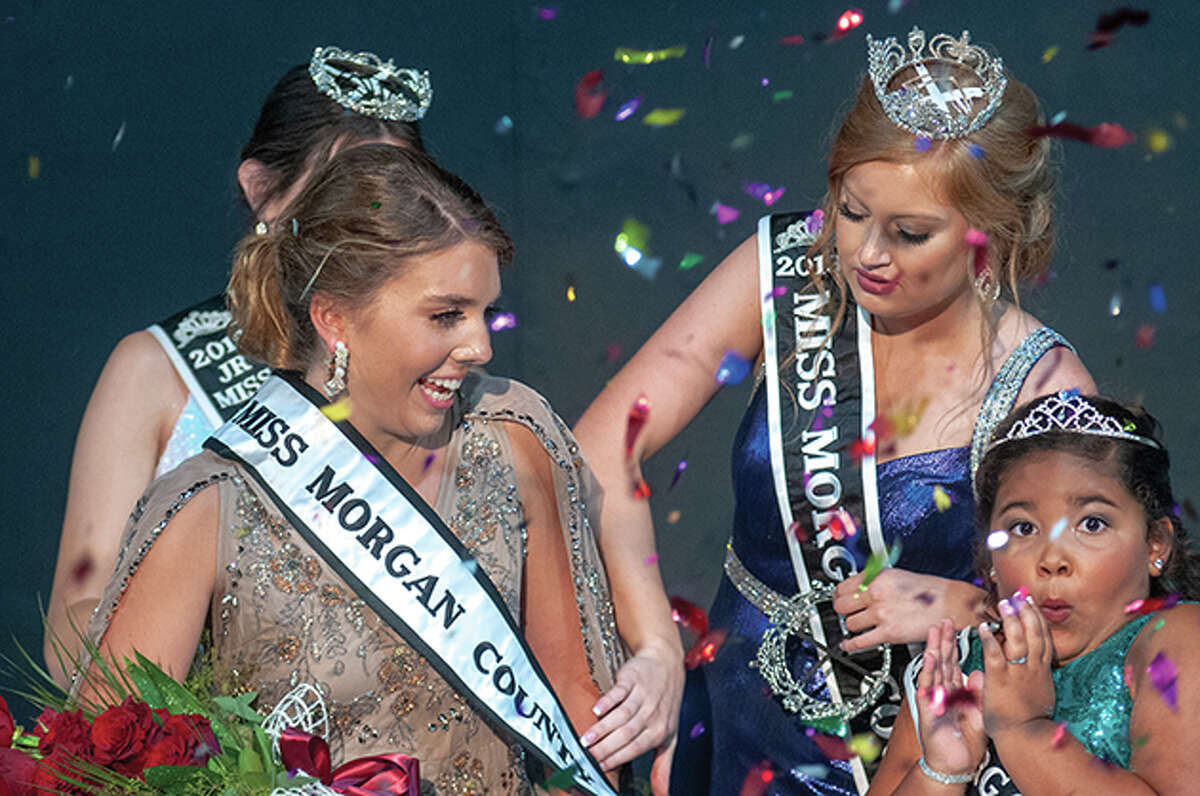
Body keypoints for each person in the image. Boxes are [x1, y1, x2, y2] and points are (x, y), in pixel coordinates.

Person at [46, 46, 675, 771]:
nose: (375, 205)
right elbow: (97, 691)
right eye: (350, 187)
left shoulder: (500, 427)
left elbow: (568, 693)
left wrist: (658, 650)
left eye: (397, 183)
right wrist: (221, 748)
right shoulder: (188, 438)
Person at [572, 26, 1094, 795]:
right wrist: (652, 646)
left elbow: (1095, 622)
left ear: (992, 236)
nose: (866, 254)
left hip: (905, 762)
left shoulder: (1043, 386)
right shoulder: (788, 271)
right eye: (851, 211)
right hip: (725, 731)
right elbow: (600, 446)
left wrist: (966, 605)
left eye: (910, 233)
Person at [46, 45, 427, 681]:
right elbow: (71, 618)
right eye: (342, 194)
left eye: (396, 197)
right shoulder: (159, 371)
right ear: (263, 193)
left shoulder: (443, 376)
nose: (370, 226)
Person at [868, 392, 1200, 795]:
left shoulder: (1176, 640)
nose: (1052, 559)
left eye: (1092, 523)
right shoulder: (952, 669)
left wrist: (1023, 730)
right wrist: (941, 771)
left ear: (1155, 545)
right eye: (1023, 528)